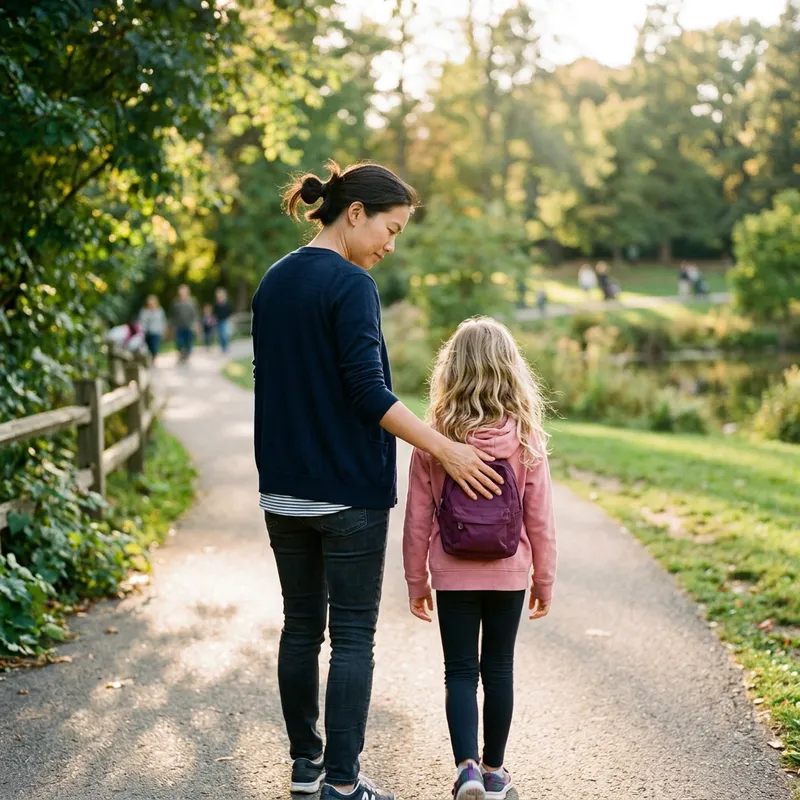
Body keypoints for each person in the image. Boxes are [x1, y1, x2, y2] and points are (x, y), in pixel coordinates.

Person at [251, 160, 504, 800]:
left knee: (301, 626)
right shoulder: (351, 285)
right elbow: (368, 393)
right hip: (348, 494)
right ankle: (342, 783)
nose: (391, 246)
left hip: (282, 487)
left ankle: (306, 772)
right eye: (390, 230)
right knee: (353, 636)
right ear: (355, 212)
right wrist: (445, 448)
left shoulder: (274, 281)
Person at [403, 316, 557, 800]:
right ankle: (495, 773)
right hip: (510, 574)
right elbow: (541, 519)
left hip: (452, 573)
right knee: (500, 669)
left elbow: (417, 518)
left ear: (452, 371)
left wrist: (416, 580)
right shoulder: (527, 438)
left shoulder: (435, 439)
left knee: (460, 672)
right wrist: (544, 579)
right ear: (511, 371)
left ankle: (466, 769)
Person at [171, 284, 199, 362]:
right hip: (179, 326)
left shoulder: (192, 302)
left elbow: (195, 314)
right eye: (181, 291)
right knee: (179, 342)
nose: (182, 293)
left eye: (184, 291)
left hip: (189, 326)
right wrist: (173, 326)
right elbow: (173, 315)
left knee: (188, 342)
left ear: (187, 292)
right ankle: (181, 352)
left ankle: (186, 354)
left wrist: (196, 324)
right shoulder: (176, 303)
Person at [139, 294, 167, 361]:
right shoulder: (144, 311)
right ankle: (150, 358)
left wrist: (164, 330)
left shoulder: (159, 310)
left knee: (154, 347)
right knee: (148, 347)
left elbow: (163, 321)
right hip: (146, 332)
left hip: (156, 332)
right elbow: (141, 321)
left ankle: (154, 358)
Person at [212, 287, 234, 353]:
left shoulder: (227, 304)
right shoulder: (216, 305)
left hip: (225, 321)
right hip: (218, 321)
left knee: (224, 335)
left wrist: (230, 320)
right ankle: (222, 348)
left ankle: (225, 347)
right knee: (220, 336)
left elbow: (230, 313)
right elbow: (214, 314)